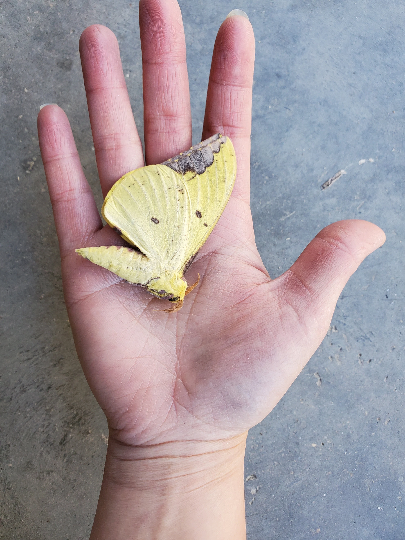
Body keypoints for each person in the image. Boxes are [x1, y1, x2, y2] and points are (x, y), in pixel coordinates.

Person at [37, 0, 385, 538]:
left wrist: (184, 444)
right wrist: (190, 448)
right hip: (155, 231)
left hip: (144, 239)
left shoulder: (174, 277)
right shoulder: (179, 261)